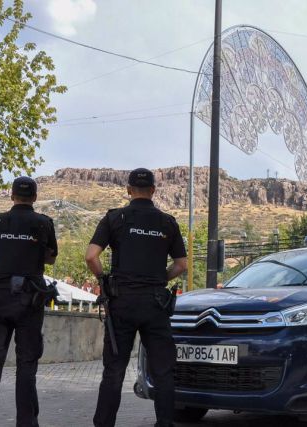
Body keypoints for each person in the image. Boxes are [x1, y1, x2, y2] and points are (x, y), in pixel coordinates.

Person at [86, 168, 187, 427]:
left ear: (129, 190)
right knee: (163, 371)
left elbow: (91, 257)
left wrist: (104, 280)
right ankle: (165, 423)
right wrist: (159, 280)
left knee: (114, 371)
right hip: (155, 303)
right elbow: (181, 265)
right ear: (153, 191)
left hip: (122, 302)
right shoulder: (168, 222)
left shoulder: (115, 218)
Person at [0, 177, 58, 427]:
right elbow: (50, 259)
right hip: (30, 300)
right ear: (34, 197)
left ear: (12, 196)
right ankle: (26, 422)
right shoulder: (44, 223)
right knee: (27, 365)